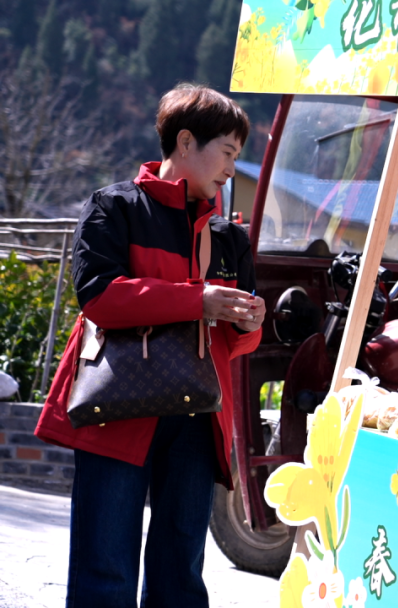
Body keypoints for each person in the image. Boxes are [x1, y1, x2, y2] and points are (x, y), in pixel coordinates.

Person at [35, 84, 266, 608]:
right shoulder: (113, 207)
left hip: (198, 417)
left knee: (180, 576)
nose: (232, 169)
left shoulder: (230, 238)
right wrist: (197, 300)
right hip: (117, 408)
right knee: (105, 572)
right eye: (227, 152)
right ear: (185, 142)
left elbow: (238, 342)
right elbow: (100, 299)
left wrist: (249, 320)